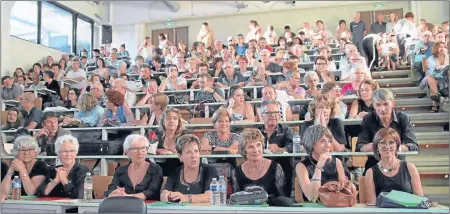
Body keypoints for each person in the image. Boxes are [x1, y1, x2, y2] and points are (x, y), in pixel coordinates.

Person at [356, 89, 418, 173]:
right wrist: (370, 147)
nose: (382, 109)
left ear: (393, 103)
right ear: (373, 105)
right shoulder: (368, 119)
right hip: (374, 165)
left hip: (398, 165)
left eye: (386, 104)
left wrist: (393, 148)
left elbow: (413, 145)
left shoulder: (403, 118)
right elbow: (360, 146)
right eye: (378, 105)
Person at [365, 128, 423, 203]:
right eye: (382, 142)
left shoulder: (410, 168)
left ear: (397, 147)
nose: (387, 146)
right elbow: (371, 204)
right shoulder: (370, 173)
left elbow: (420, 200)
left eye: (391, 142)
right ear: (376, 148)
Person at [295, 125, 350, 202]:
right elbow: (312, 197)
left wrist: (341, 186)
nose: (328, 145)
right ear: (312, 144)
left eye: (329, 141)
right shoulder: (302, 166)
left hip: (334, 204)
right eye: (322, 141)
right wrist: (319, 166)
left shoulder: (337, 162)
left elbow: (344, 191)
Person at [161, 134, 219, 203]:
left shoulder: (209, 170)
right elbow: (164, 192)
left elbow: (211, 196)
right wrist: (166, 195)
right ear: (180, 156)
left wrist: (185, 198)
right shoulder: (175, 172)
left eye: (196, 151)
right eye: (189, 152)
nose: (193, 156)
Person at [105, 134, 163, 200]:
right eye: (135, 149)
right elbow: (112, 188)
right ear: (126, 152)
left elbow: (152, 192)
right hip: (124, 206)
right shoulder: (120, 170)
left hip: (149, 208)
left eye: (143, 148)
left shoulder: (155, 169)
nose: (140, 152)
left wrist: (128, 196)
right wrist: (114, 193)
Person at [231, 129, 285, 197]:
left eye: (258, 145)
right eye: (251, 147)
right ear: (244, 150)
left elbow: (282, 196)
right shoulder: (236, 172)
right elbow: (236, 199)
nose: (256, 150)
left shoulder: (276, 168)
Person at [0, 136, 50, 202]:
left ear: (35, 152)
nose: (26, 153)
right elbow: (3, 193)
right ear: (16, 153)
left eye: (30, 149)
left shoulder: (40, 166)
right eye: (22, 150)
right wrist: (11, 170)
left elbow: (31, 192)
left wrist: (22, 170)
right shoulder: (16, 166)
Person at [152, 107, 190, 175]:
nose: (171, 121)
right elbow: (146, 148)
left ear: (178, 122)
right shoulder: (155, 132)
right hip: (159, 167)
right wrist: (157, 150)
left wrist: (171, 152)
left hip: (180, 167)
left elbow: (188, 150)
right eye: (168, 118)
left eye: (175, 118)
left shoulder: (185, 134)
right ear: (163, 121)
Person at [424, 42, 448, 112]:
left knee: (431, 80)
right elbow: (435, 69)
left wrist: (446, 57)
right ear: (436, 48)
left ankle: (436, 102)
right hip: (437, 78)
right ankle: (436, 102)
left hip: (447, 78)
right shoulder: (431, 58)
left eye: (444, 47)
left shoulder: (447, 56)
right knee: (430, 78)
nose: (442, 49)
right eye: (440, 47)